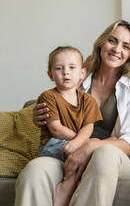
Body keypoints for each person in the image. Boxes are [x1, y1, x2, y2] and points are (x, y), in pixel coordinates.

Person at [15, 20, 130, 206]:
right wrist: (39, 115)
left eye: (126, 46)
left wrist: (90, 146)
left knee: (104, 153)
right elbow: (57, 105)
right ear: (102, 43)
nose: (117, 49)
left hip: (116, 160)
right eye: (112, 41)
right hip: (70, 151)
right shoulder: (79, 75)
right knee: (35, 169)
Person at [37, 46, 103, 206]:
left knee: (97, 156)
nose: (66, 72)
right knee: (88, 151)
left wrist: (79, 143)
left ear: (82, 73)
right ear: (50, 74)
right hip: (54, 145)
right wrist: (81, 142)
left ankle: (72, 183)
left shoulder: (88, 100)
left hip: (75, 145)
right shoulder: (49, 96)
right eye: (59, 68)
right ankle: (68, 184)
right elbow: (55, 128)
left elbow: (88, 127)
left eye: (72, 68)